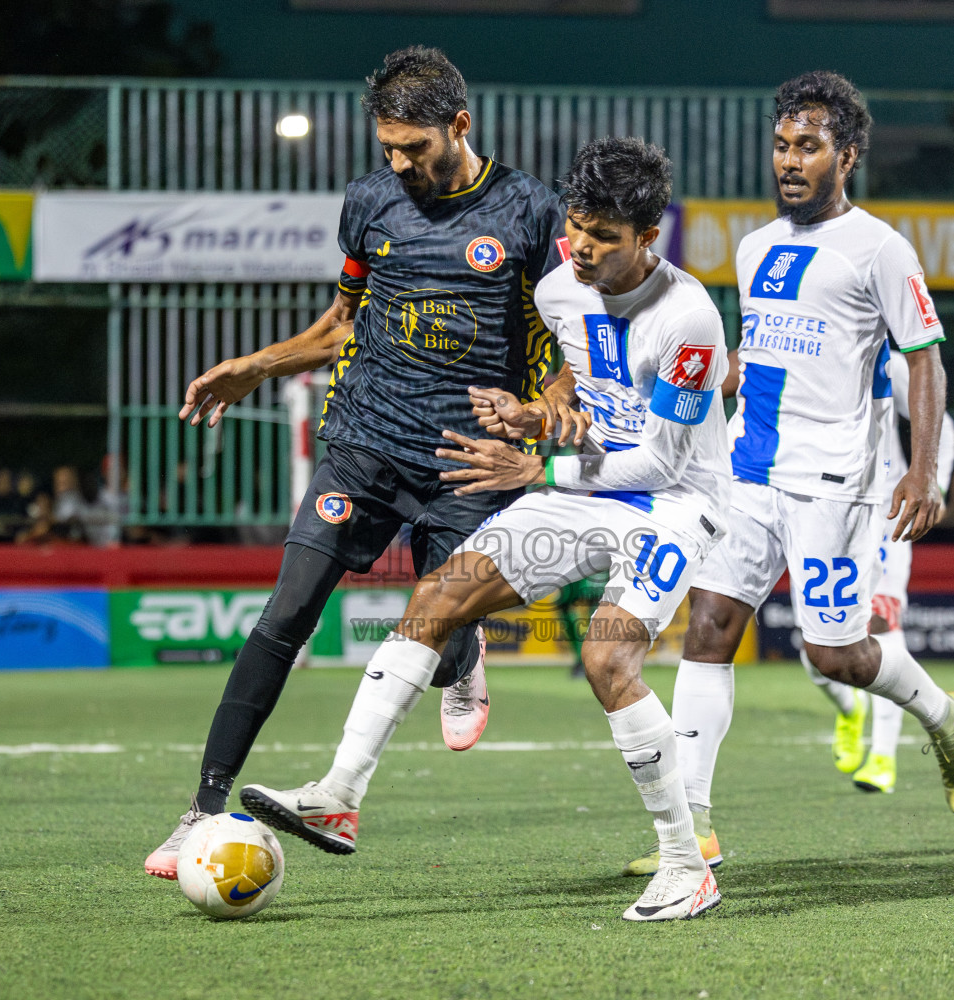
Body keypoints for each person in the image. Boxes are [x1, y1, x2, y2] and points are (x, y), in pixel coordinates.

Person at [240, 138, 730, 922]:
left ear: (648, 237)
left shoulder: (689, 319)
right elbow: (579, 372)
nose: (580, 247)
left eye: (603, 236)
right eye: (575, 227)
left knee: (608, 657)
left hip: (673, 502)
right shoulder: (561, 287)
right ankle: (338, 795)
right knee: (437, 597)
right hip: (586, 483)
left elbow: (663, 462)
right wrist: (538, 412)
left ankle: (685, 865)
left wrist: (536, 468)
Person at [144, 46, 577, 880]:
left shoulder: (528, 210)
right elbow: (341, 322)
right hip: (364, 440)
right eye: (388, 148)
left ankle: (464, 659)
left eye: (415, 148)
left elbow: (573, 341)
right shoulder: (369, 202)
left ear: (460, 125)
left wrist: (547, 407)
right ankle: (201, 807)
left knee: (439, 631)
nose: (400, 164)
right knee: (286, 611)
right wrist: (257, 366)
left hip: (466, 458)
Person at [621, 72, 954, 878]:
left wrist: (924, 472)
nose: (789, 160)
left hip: (833, 482)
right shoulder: (756, 247)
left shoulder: (881, 249)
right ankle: (691, 829)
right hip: (748, 471)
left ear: (846, 156)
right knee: (710, 626)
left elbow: (925, 360)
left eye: (809, 146)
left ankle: (944, 715)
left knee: (834, 656)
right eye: (782, 145)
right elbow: (760, 355)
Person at [792, 346, 954, 801]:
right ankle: (850, 708)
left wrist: (935, 481)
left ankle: (883, 756)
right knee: (814, 646)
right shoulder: (801, 348)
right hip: (817, 507)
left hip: (885, 510)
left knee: (882, 622)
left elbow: (943, 425)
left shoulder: (886, 361)